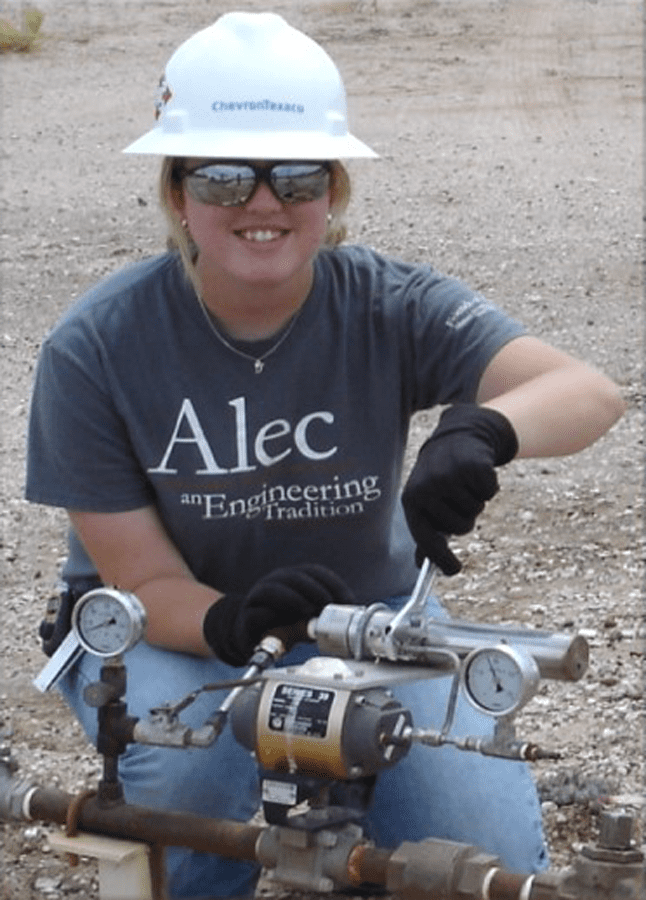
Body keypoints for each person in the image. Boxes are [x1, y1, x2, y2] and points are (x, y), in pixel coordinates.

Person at [26, 11, 624, 900]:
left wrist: (483, 430)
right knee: (199, 779)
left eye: (298, 176)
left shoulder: (388, 304)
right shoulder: (98, 347)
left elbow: (587, 392)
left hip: (368, 624)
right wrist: (238, 626)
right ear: (177, 192)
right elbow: (143, 586)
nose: (263, 204)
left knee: (481, 846)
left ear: (334, 191)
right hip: (178, 631)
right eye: (226, 178)